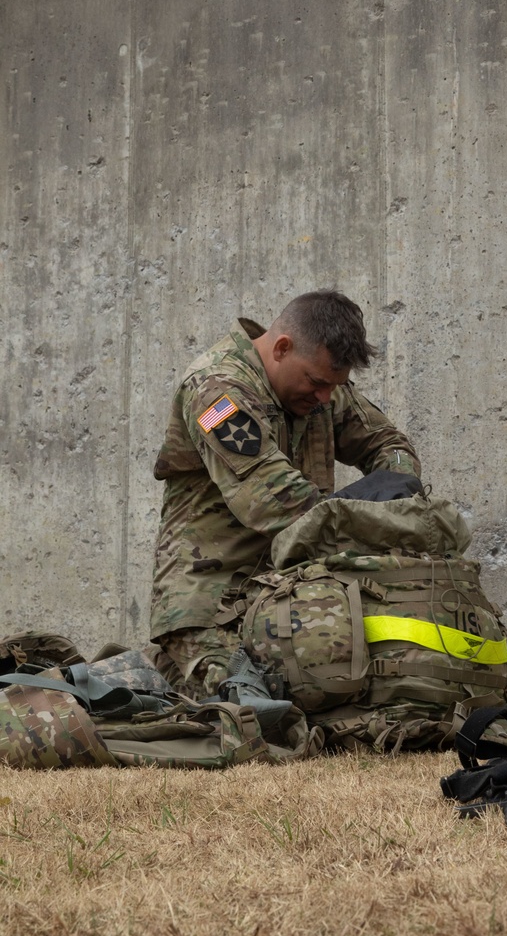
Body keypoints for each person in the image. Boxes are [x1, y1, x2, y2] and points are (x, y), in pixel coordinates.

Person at [150, 289, 420, 696]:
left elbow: (389, 446)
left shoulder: (320, 388)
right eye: (317, 382)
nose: (325, 398)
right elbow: (277, 501)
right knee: (257, 709)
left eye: (335, 386)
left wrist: (397, 487)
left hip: (292, 600)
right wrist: (377, 518)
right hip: (214, 609)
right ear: (281, 348)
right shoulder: (216, 391)